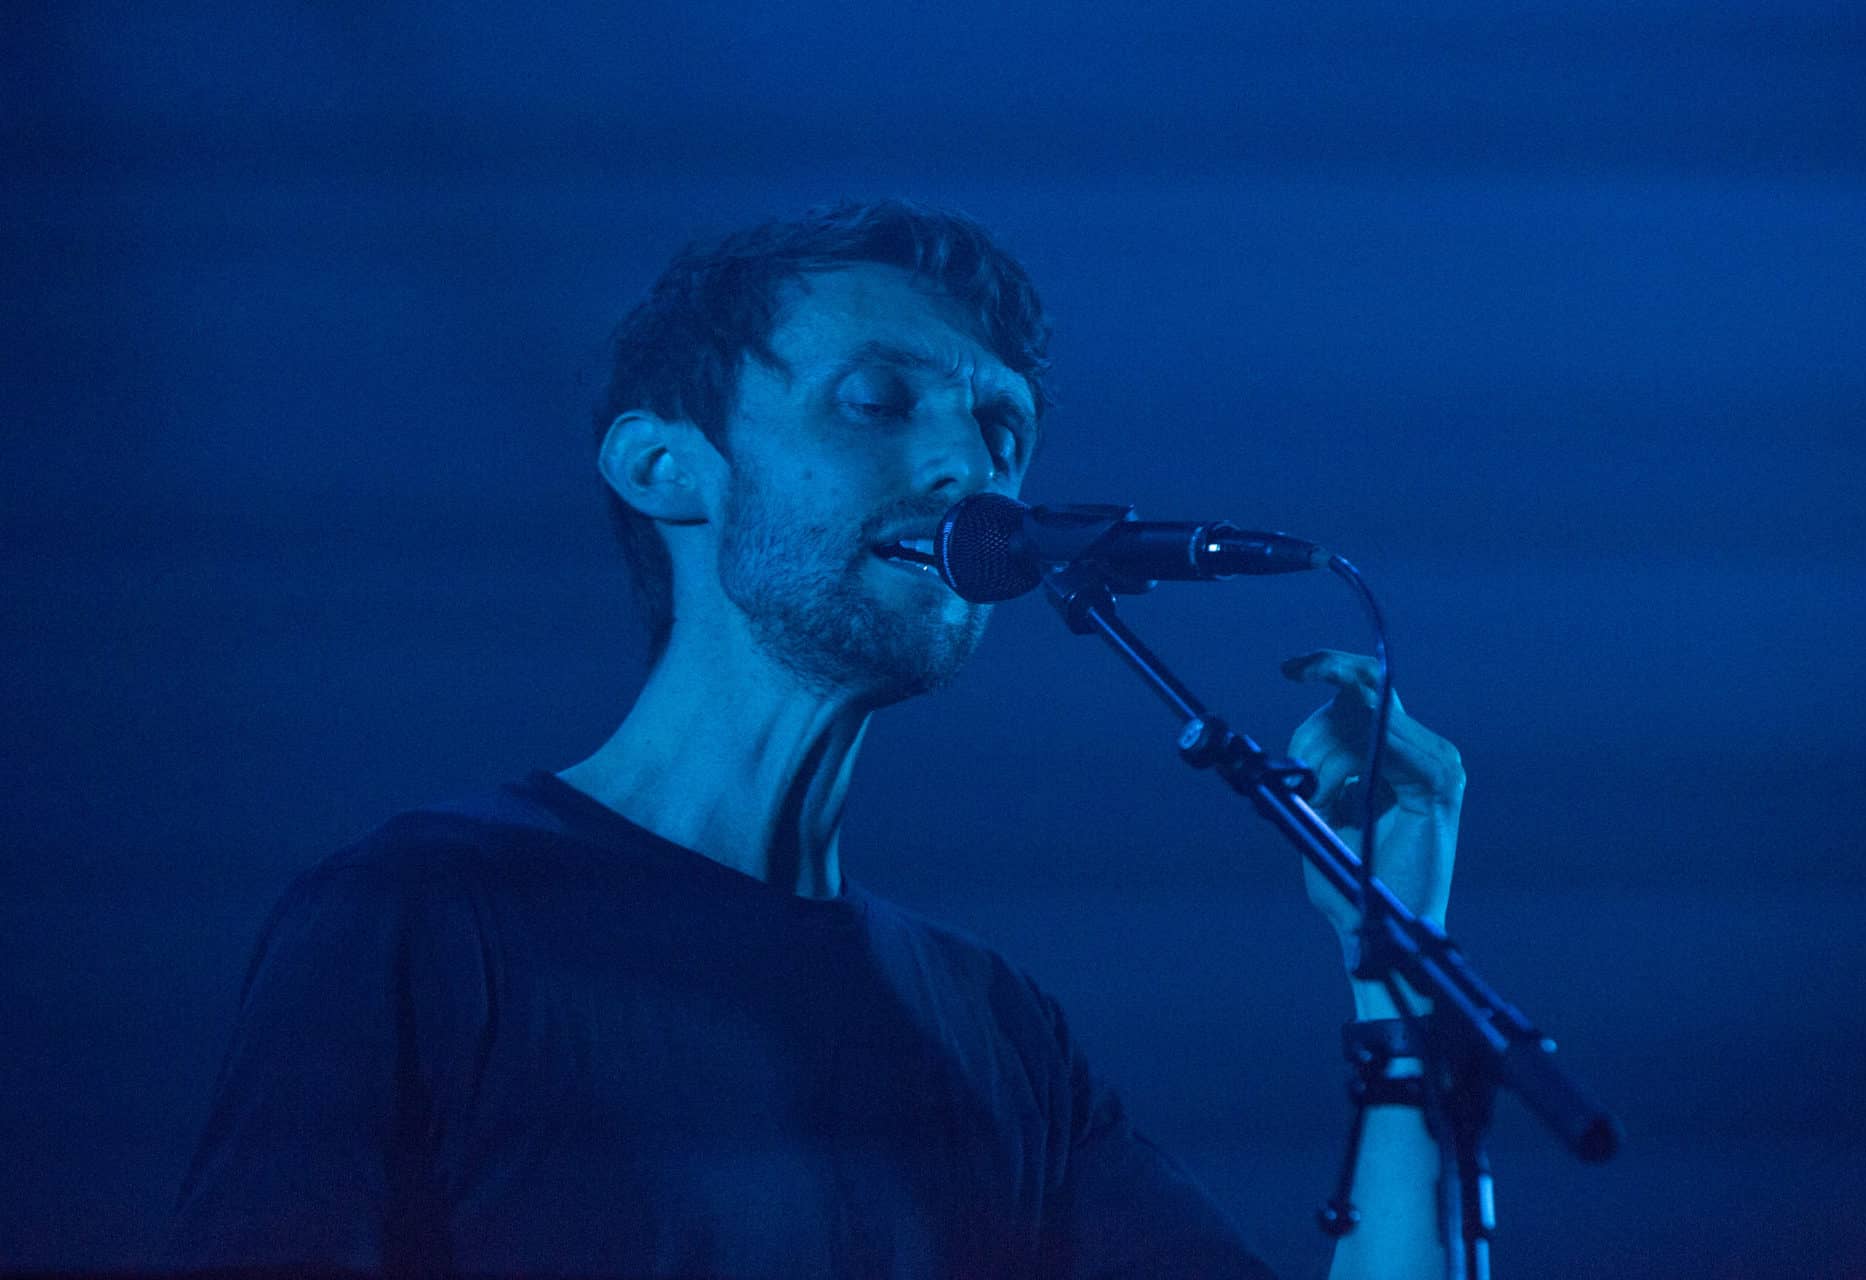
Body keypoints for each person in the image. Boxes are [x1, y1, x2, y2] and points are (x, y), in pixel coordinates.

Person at [165, 198, 1466, 1277]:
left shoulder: (997, 1029)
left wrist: (1393, 970)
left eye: (1002, 428)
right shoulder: (426, 913)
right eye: (879, 401)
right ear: (666, 468)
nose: (971, 467)